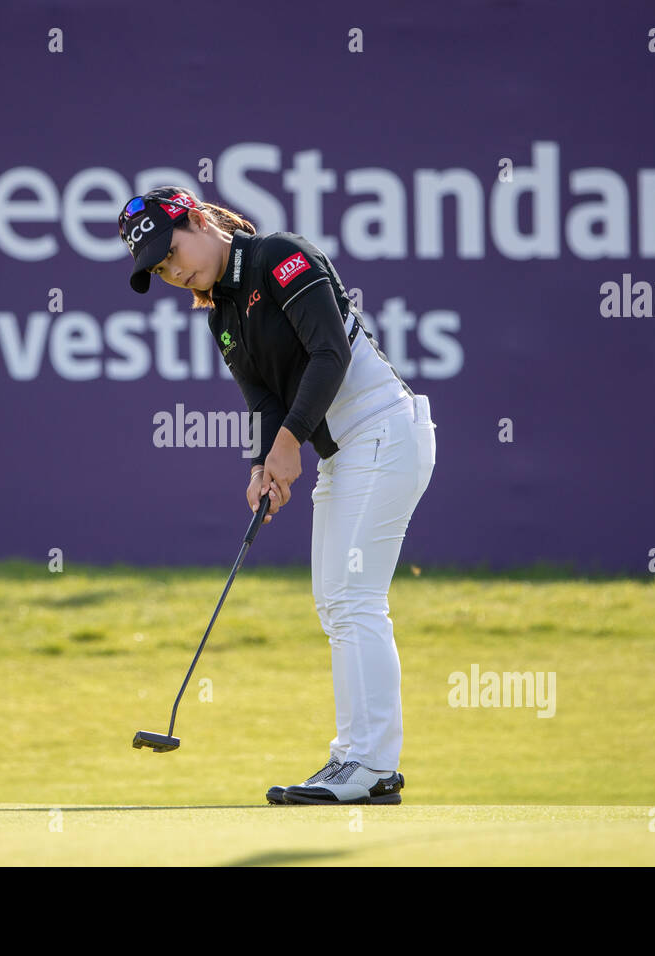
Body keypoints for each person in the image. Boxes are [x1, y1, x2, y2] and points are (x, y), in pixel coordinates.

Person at [119, 185, 437, 805]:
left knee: (352, 601)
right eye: (159, 268)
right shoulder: (221, 315)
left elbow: (330, 350)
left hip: (383, 431)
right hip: (346, 453)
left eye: (171, 250)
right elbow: (263, 399)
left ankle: (369, 764)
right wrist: (264, 462)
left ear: (197, 217)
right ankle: (359, 762)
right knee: (337, 604)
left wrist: (290, 442)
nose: (173, 270)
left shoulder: (279, 256)